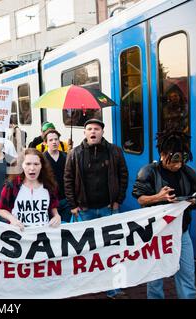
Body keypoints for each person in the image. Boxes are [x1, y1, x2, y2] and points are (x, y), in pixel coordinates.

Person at [64, 118, 128, 299]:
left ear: (102, 132)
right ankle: (88, 285)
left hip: (109, 209)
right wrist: (73, 205)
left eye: (97, 129)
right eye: (90, 129)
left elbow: (124, 175)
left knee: (112, 250)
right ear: (84, 133)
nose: (93, 132)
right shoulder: (74, 154)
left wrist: (118, 201)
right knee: (86, 251)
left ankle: (113, 289)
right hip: (85, 211)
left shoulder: (114, 151)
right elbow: (67, 180)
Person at [132, 131, 195, 299]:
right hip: (157, 234)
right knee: (155, 277)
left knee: (187, 276)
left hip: (181, 232)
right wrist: (159, 196)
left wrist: (192, 201)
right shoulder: (148, 172)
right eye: (174, 160)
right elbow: (141, 199)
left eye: (182, 159)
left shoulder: (188, 172)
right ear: (162, 155)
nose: (178, 164)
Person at [0, 148, 61, 231]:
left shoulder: (49, 186)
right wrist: (12, 219)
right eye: (28, 164)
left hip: (43, 235)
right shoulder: (11, 186)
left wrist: (57, 216)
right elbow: (2, 209)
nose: (32, 168)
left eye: (36, 164)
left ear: (41, 165)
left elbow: (53, 206)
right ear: (21, 165)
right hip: (20, 235)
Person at [43, 129, 71, 222]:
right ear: (45, 143)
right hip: (49, 201)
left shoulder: (66, 156)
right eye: (51, 140)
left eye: (56, 139)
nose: (54, 142)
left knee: (66, 228)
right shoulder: (42, 158)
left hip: (65, 200)